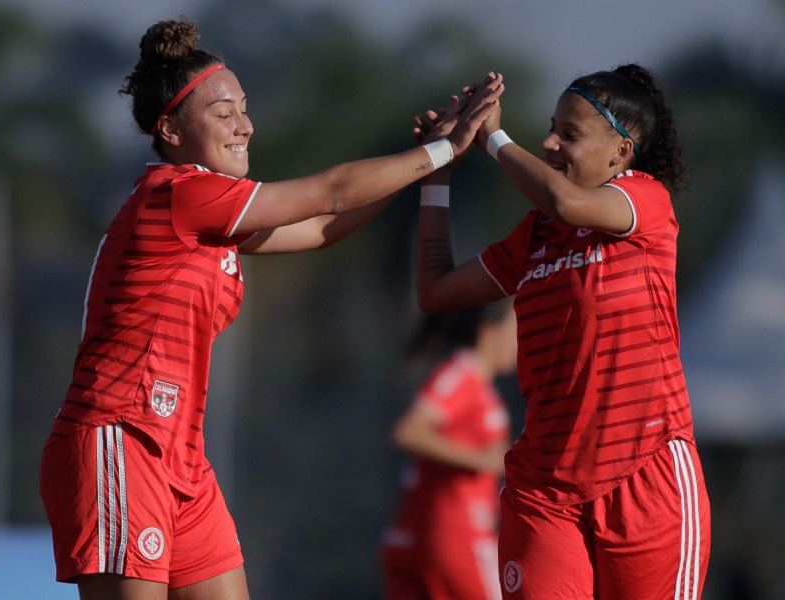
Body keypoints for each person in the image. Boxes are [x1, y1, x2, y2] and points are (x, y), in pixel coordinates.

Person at [38, 16, 504, 600]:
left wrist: (429, 168)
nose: (245, 126)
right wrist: (441, 150)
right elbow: (330, 191)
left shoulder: (213, 216)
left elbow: (324, 226)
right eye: (222, 112)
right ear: (171, 129)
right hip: (121, 439)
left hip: (180, 456)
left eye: (244, 108)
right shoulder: (177, 194)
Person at [413, 64, 710, 599]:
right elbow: (436, 291)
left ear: (621, 153)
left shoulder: (644, 201)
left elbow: (567, 201)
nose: (549, 143)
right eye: (551, 128)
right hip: (544, 489)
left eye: (568, 135)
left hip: (645, 478)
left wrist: (495, 139)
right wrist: (438, 171)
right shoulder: (536, 236)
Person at [380, 301, 516, 600]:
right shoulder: (463, 372)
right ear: (487, 332)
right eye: (515, 329)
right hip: (454, 534)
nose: (520, 342)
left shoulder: (477, 384)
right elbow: (409, 430)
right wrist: (481, 459)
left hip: (416, 535)